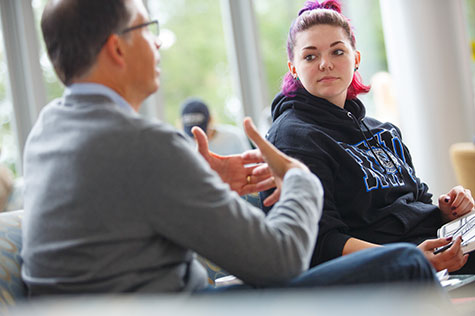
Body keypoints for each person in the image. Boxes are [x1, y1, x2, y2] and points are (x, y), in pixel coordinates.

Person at [21, 0, 438, 297]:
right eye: (148, 30)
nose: (158, 44)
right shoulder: (143, 144)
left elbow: (127, 221)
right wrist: (298, 179)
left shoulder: (46, 132)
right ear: (116, 48)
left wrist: (197, 181)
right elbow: (282, 260)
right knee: (406, 263)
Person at [261, 0, 475, 274]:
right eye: (310, 56)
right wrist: (408, 258)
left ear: (356, 58)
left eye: (337, 52)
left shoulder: (383, 132)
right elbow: (321, 241)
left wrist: (449, 212)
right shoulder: (293, 138)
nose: (326, 64)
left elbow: (418, 203)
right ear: (293, 67)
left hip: (429, 251)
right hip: (386, 272)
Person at [181, 98, 252, 155]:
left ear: (211, 120)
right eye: (192, 136)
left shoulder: (233, 137)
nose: (196, 138)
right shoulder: (183, 144)